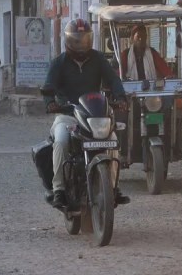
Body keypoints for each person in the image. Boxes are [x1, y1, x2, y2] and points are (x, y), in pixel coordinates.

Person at [43, 18, 128, 209]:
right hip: (68, 114)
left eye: (84, 39)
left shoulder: (98, 59)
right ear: (68, 41)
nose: (80, 43)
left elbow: (113, 80)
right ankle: (59, 190)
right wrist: (50, 102)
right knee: (62, 140)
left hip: (94, 115)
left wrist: (120, 97)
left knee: (112, 139)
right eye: (76, 39)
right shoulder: (59, 63)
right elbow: (48, 87)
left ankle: (113, 187)